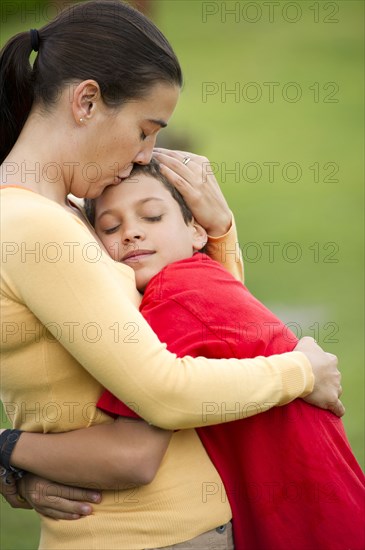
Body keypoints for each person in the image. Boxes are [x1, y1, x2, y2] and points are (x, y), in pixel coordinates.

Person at [0, 1, 343, 548]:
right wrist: (300, 371)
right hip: (146, 536)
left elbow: (201, 328)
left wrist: (218, 233)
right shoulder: (36, 227)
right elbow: (164, 391)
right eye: (144, 130)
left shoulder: (64, 211)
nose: (146, 155)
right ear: (86, 101)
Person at [6, 161, 364, 550]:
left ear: (196, 230)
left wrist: (8, 447)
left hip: (306, 516)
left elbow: (134, 454)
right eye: (110, 228)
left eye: (153, 216)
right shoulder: (196, 280)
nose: (131, 233)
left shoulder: (172, 298)